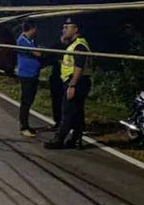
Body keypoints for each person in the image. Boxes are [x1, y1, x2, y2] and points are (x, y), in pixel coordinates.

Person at [45, 18, 92, 150]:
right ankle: (76, 139)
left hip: (76, 82)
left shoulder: (79, 46)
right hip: (79, 82)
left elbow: (79, 67)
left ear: (75, 29)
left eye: (67, 27)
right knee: (77, 112)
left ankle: (58, 140)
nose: (63, 29)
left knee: (67, 112)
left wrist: (72, 85)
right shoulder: (76, 44)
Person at [16, 21, 42, 138]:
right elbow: (37, 53)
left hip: (33, 74)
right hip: (26, 75)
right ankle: (24, 126)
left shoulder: (31, 41)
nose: (36, 31)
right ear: (30, 29)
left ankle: (26, 124)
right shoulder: (22, 41)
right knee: (26, 101)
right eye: (35, 29)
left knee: (29, 100)